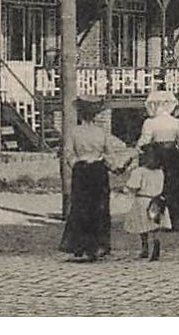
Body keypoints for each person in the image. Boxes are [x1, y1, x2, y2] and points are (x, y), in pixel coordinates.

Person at [58, 97, 130, 263]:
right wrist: (115, 167)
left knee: (80, 206)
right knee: (100, 207)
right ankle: (98, 245)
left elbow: (68, 153)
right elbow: (109, 154)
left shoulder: (74, 132)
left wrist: (76, 164)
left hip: (82, 170)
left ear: (80, 115)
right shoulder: (100, 132)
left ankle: (79, 245)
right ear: (95, 115)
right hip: (98, 170)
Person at [138, 88, 179, 229]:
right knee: (176, 186)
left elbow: (144, 142)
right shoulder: (176, 123)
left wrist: (140, 155)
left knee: (158, 186)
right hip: (173, 156)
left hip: (157, 156)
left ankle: (157, 218)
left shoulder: (150, 123)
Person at [123, 143, 171, 261]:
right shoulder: (160, 172)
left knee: (143, 227)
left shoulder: (139, 171)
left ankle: (145, 248)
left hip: (143, 200)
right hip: (157, 200)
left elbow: (133, 186)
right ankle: (156, 241)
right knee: (155, 225)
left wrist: (125, 189)